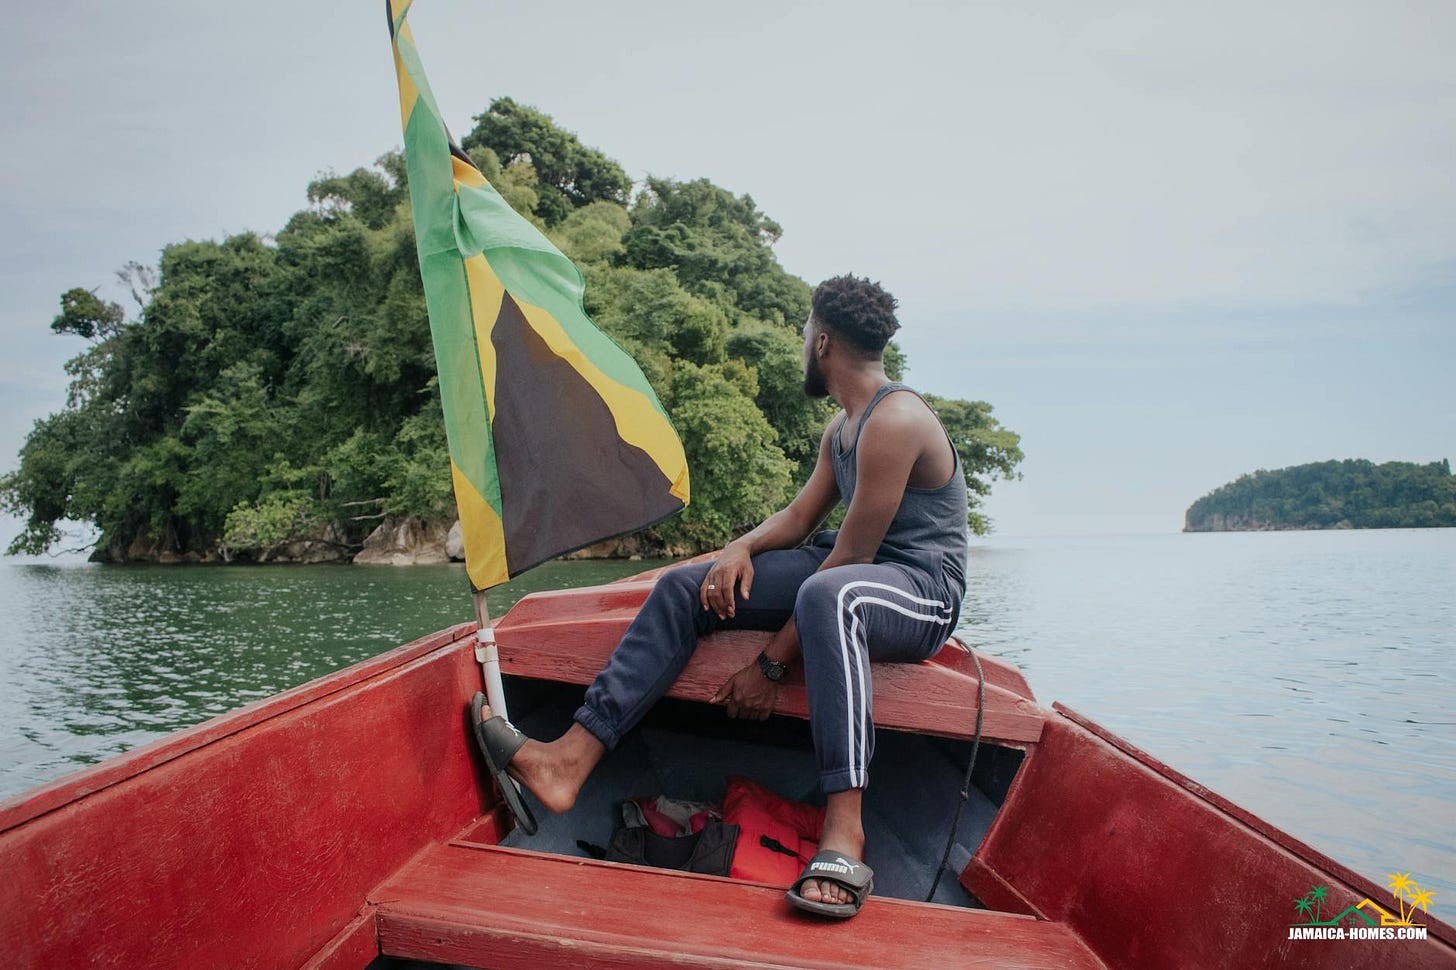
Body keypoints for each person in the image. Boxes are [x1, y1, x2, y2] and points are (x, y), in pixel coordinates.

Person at [473, 274, 970, 918]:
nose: (801, 345)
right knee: (686, 586)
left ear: (821, 342)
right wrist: (735, 550)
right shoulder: (842, 427)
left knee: (831, 595)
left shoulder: (896, 419)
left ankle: (845, 830)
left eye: (802, 334)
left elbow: (852, 559)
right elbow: (797, 520)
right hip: (847, 573)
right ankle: (569, 760)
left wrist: (770, 665)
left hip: (921, 589)